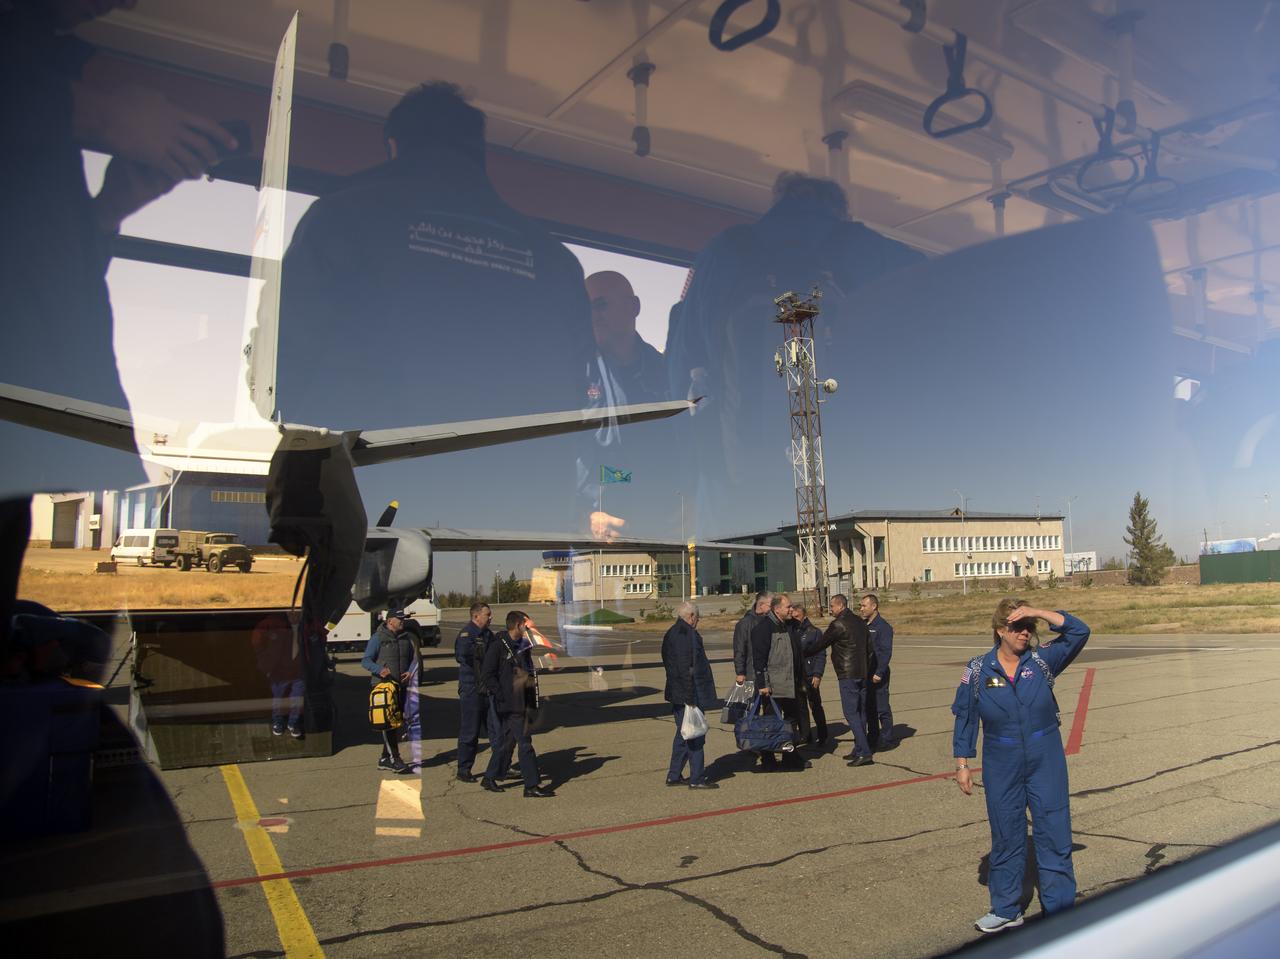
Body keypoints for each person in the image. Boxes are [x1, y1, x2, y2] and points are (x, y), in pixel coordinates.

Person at [664, 172, 923, 537]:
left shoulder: (724, 252)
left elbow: (680, 370)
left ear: (778, 200)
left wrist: (695, 473)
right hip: (850, 465)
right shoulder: (872, 251)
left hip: (735, 470)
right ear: (839, 208)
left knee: (737, 578)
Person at [952, 600, 1091, 934]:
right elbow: (966, 716)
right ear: (1001, 630)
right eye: (1018, 627)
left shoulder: (1043, 661)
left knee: (1053, 829)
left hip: (1046, 754)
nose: (1025, 633)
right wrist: (962, 762)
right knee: (1006, 832)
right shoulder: (977, 670)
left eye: (1029, 627)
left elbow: (1079, 631)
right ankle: (1006, 907)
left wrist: (1039, 611)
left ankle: (1059, 910)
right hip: (1001, 758)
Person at [480, 610, 554, 798]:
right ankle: (531, 785)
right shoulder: (498, 646)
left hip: (522, 702)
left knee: (507, 741)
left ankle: (490, 777)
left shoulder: (523, 645)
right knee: (525, 743)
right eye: (526, 624)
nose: (529, 627)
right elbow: (487, 675)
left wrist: (532, 700)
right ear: (518, 625)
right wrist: (501, 695)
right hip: (509, 704)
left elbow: (529, 672)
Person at [805, 594, 874, 766]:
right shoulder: (860, 622)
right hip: (862, 673)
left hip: (848, 674)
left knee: (851, 713)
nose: (830, 609)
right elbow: (870, 650)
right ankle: (859, 748)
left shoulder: (838, 624)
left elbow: (821, 643)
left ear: (841, 606)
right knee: (860, 712)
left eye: (832, 606)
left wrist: (803, 652)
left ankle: (865, 752)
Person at [660, 602, 718, 789]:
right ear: (691, 616)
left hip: (678, 692)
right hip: (689, 694)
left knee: (682, 734)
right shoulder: (687, 635)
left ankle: (674, 775)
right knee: (695, 736)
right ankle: (697, 778)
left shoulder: (672, 632)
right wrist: (691, 698)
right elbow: (687, 669)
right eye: (697, 618)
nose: (697, 622)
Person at [749, 592, 809, 769]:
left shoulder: (790, 626)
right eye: (788, 607)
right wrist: (763, 684)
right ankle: (768, 759)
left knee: (791, 722)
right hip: (773, 686)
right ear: (776, 609)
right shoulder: (763, 629)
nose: (792, 609)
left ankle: (791, 756)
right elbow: (759, 660)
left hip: (791, 683)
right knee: (770, 724)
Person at [362, 609, 417, 773]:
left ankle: (385, 758)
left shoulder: (406, 638)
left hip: (400, 687)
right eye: (400, 619)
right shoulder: (378, 638)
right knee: (387, 723)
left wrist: (410, 670)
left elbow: (414, 659)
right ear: (390, 621)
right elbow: (365, 661)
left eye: (403, 619)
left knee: (396, 722)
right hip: (383, 687)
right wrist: (379, 669)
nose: (402, 621)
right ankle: (395, 758)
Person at [454, 601, 499, 783]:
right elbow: (462, 656)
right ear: (476, 616)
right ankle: (464, 769)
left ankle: (500, 765)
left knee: (496, 731)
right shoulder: (467, 635)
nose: (490, 617)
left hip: (488, 689)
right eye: (487, 614)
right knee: (470, 732)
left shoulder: (488, 634)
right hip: (472, 689)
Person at [860, 593, 894, 750]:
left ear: (874, 607)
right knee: (869, 707)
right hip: (866, 673)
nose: (861, 609)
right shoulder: (864, 625)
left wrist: (879, 672)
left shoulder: (883, 627)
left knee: (882, 708)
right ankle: (872, 737)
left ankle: (886, 739)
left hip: (878, 674)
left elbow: (886, 652)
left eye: (864, 606)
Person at [790, 604, 827, 745]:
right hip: (796, 675)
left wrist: (818, 674)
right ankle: (805, 734)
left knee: (815, 705)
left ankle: (823, 735)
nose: (794, 618)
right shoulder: (791, 630)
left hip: (810, 674)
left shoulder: (814, 632)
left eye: (796, 615)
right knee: (800, 707)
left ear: (802, 614)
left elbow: (821, 654)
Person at [733, 590, 771, 687]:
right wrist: (740, 672)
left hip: (769, 672)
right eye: (771, 605)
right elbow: (739, 649)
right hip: (752, 673)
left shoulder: (770, 621)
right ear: (761, 604)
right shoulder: (745, 624)